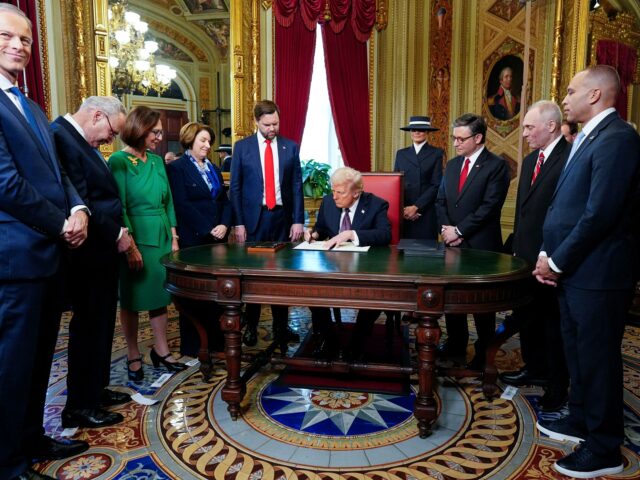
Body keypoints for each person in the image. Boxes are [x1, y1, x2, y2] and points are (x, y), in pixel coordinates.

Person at [534, 65, 640, 478]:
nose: (565, 97)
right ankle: (580, 419)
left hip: (599, 274)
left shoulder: (619, 138)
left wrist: (556, 261)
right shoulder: (587, 137)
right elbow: (566, 207)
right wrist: (549, 253)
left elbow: (600, 213)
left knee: (597, 360)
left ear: (595, 95)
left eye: (572, 90)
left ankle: (604, 447)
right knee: (578, 354)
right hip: (575, 270)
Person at [0, 4, 89, 479]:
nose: (18, 46)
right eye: (7, 37)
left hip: (50, 257)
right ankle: (9, 463)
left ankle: (32, 439)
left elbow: (60, 175)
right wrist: (61, 223)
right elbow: (6, 185)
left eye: (26, 40)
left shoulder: (30, 105)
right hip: (14, 260)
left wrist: (78, 209)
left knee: (38, 363)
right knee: (10, 369)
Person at [51, 96, 133, 429]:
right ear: (97, 115)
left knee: (100, 327)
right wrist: (117, 234)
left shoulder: (81, 141)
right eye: (111, 132)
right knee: (88, 329)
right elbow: (81, 201)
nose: (109, 140)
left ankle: (95, 391)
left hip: (101, 253)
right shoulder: (62, 137)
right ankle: (80, 405)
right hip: (88, 254)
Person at [499, 100, 569, 412]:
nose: (524, 132)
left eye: (529, 127)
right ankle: (534, 367)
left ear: (551, 126)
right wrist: (517, 249)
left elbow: (565, 214)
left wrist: (550, 256)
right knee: (528, 317)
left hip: (552, 258)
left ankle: (557, 384)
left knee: (553, 324)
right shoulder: (529, 161)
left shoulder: (570, 159)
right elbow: (524, 213)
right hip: (526, 255)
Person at [109, 106, 186, 381]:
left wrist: (174, 237)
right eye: (155, 131)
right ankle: (133, 353)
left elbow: (168, 202)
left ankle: (161, 350)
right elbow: (121, 206)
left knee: (159, 297)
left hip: (162, 235)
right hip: (136, 237)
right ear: (140, 129)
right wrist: (129, 245)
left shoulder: (156, 161)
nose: (159, 136)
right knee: (131, 300)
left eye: (160, 131)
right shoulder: (118, 161)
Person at [435, 113, 510, 370]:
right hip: (451, 243)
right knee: (453, 298)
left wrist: (459, 230)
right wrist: (447, 230)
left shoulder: (497, 166)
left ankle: (483, 353)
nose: (455, 143)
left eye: (461, 138)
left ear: (478, 138)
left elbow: (490, 206)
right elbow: (441, 200)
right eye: (454, 138)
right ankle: (456, 343)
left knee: (482, 306)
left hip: (481, 246)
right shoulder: (454, 165)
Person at [230, 100, 304, 347]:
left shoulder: (290, 147)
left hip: (282, 219)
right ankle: (250, 326)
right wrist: (238, 223)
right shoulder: (242, 148)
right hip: (254, 219)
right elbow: (236, 188)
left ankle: (281, 327)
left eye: (276, 123)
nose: (273, 128)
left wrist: (298, 221)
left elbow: (296, 186)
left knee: (281, 277)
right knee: (252, 277)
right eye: (267, 124)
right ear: (256, 122)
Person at [304, 167, 391, 358]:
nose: (334, 196)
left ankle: (358, 339)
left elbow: (385, 234)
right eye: (333, 190)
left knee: (375, 293)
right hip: (332, 266)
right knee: (312, 288)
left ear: (356, 193)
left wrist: (351, 234)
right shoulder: (328, 202)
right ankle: (329, 337)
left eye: (340, 192)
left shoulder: (376, 204)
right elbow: (321, 228)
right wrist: (313, 234)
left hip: (366, 267)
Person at [167, 122, 231, 356]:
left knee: (215, 295)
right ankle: (194, 347)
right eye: (203, 140)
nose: (208, 145)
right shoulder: (177, 168)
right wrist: (208, 228)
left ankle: (215, 343)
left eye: (209, 141)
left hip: (218, 240)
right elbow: (181, 205)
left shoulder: (213, 168)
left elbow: (223, 200)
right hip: (194, 241)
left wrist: (224, 224)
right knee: (194, 296)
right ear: (190, 140)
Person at [394, 115, 443, 240]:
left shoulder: (436, 153)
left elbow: (436, 184)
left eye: (420, 130)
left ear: (427, 132)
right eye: (413, 129)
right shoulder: (401, 154)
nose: (416, 132)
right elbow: (396, 183)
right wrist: (403, 209)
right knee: (402, 254)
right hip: (404, 212)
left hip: (425, 211)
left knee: (425, 253)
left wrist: (416, 207)